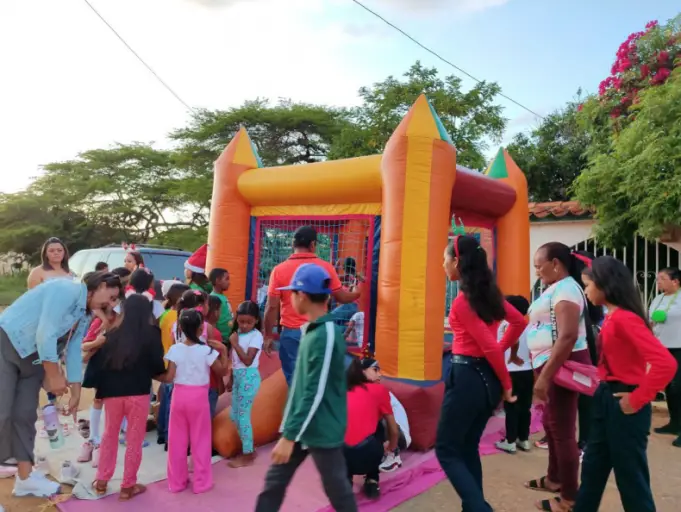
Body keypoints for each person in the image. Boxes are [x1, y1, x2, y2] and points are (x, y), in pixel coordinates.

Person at [0, 271, 121, 497]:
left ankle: (25, 479)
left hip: (33, 356)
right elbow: (45, 334)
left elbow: (74, 348)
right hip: (6, 343)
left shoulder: (84, 313)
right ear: (101, 285)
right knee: (2, 414)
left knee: (24, 415)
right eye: (111, 297)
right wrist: (53, 375)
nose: (110, 304)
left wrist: (75, 390)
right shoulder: (65, 290)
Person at [574, 256, 677, 512]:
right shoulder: (612, 316)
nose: (586, 291)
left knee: (631, 481)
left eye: (588, 285)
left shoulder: (625, 319)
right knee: (592, 473)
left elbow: (666, 363)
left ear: (604, 284)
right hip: (606, 398)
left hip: (624, 403)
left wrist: (639, 397)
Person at [255, 263, 357, 512]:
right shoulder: (314, 331)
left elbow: (315, 390)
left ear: (302, 295)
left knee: (338, 492)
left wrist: (289, 436)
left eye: (292, 293)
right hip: (302, 426)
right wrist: (289, 429)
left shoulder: (326, 334)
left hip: (321, 429)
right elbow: (303, 387)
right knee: (274, 484)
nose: (289, 298)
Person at [436, 235, 527, 512]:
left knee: (447, 449)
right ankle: (473, 507)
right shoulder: (490, 296)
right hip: (484, 380)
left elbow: (488, 344)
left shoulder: (463, 302)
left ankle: (479, 508)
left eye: (445, 259)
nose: (443, 265)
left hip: (467, 378)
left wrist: (507, 382)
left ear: (457, 262)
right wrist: (500, 354)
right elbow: (518, 321)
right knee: (467, 447)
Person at [523, 242, 594, 512]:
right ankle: (554, 479)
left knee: (563, 432)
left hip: (560, 367)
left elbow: (567, 336)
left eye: (539, 266)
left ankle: (569, 498)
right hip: (548, 365)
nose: (537, 271)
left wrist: (544, 378)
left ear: (555, 263)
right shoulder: (554, 288)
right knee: (552, 426)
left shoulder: (566, 289)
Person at [86, 294, 166, 500]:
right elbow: (157, 366)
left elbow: (102, 363)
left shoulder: (112, 333)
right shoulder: (151, 333)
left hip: (112, 393)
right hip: (138, 392)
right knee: (134, 439)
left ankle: (102, 481)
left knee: (109, 435)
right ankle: (127, 485)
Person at [264, 226, 361, 386]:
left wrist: (268, 335)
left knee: (296, 384)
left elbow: (271, 307)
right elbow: (341, 297)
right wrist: (357, 292)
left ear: (293, 244)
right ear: (313, 244)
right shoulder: (325, 267)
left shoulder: (279, 270)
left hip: (291, 333)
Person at [164, 308, 228, 494]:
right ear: (202, 328)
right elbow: (222, 371)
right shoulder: (206, 350)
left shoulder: (175, 349)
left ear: (181, 328)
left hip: (179, 396)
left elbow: (169, 377)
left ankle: (176, 482)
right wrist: (223, 351)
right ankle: (201, 482)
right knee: (200, 440)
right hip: (199, 397)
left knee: (177, 441)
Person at [343, 357, 399, 499]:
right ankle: (372, 478)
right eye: (375, 370)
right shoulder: (379, 390)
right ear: (361, 371)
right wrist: (391, 449)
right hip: (368, 455)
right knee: (379, 426)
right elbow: (393, 430)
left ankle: (345, 478)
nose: (380, 374)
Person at [227, 300, 264, 468]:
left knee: (242, 415)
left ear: (256, 320)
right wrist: (231, 379)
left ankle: (248, 452)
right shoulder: (238, 334)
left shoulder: (256, 336)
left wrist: (234, 343)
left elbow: (248, 361)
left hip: (249, 377)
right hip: (238, 377)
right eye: (241, 321)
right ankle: (247, 445)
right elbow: (235, 362)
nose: (244, 325)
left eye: (248, 322)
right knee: (234, 414)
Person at [495, 295, 534, 455]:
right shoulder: (531, 325)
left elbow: (511, 342)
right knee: (525, 407)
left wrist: (511, 356)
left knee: (511, 407)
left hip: (511, 372)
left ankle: (510, 441)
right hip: (527, 371)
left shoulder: (506, 325)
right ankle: (523, 439)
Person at [649, 267, 681, 446]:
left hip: (679, 347)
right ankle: (675, 422)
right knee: (669, 386)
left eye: (662, 278)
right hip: (662, 348)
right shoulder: (659, 298)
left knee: (678, 386)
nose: (658, 281)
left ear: (675, 281)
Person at [156, 282, 190, 445]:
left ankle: (162, 432)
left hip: (165, 360)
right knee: (171, 403)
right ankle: (170, 437)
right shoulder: (177, 317)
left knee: (165, 400)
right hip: (173, 364)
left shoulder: (165, 314)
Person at [209, 268, 233, 340]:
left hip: (227, 337)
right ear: (218, 281)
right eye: (227, 279)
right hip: (220, 338)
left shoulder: (222, 296)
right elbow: (212, 320)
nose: (229, 282)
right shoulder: (213, 298)